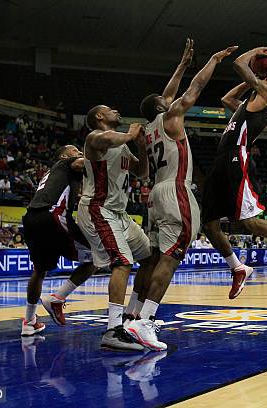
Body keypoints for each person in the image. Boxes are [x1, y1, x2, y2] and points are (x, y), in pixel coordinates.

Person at [127, 41, 238, 351]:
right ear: (163, 106)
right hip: (176, 190)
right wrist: (213, 60)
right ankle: (145, 322)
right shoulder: (172, 116)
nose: (170, 99)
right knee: (170, 259)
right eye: (166, 100)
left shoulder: (148, 130)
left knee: (150, 260)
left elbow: (169, 93)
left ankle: (130, 316)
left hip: (154, 196)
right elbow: (194, 88)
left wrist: (181, 63)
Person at [201, 46, 267, 300]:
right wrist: (249, 82)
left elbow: (238, 63)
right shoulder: (252, 102)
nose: (262, 79)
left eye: (266, 77)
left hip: (236, 158)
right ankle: (238, 268)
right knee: (209, 225)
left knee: (247, 222)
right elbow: (226, 100)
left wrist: (256, 52)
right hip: (221, 159)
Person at [78, 106, 152, 351]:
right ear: (99, 116)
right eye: (110, 110)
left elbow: (142, 172)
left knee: (150, 257)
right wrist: (131, 135)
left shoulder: (122, 145)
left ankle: (131, 318)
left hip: (120, 213)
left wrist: (140, 145)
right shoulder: (95, 138)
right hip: (98, 209)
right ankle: (113, 330)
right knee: (122, 261)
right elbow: (110, 138)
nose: (116, 111)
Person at [21, 145, 98, 337]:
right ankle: (57, 298)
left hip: (31, 217)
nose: (79, 152)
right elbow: (86, 162)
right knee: (98, 256)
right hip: (53, 215)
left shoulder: (56, 174)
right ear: (64, 156)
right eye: (74, 150)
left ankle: (29, 321)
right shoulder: (67, 164)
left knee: (39, 270)